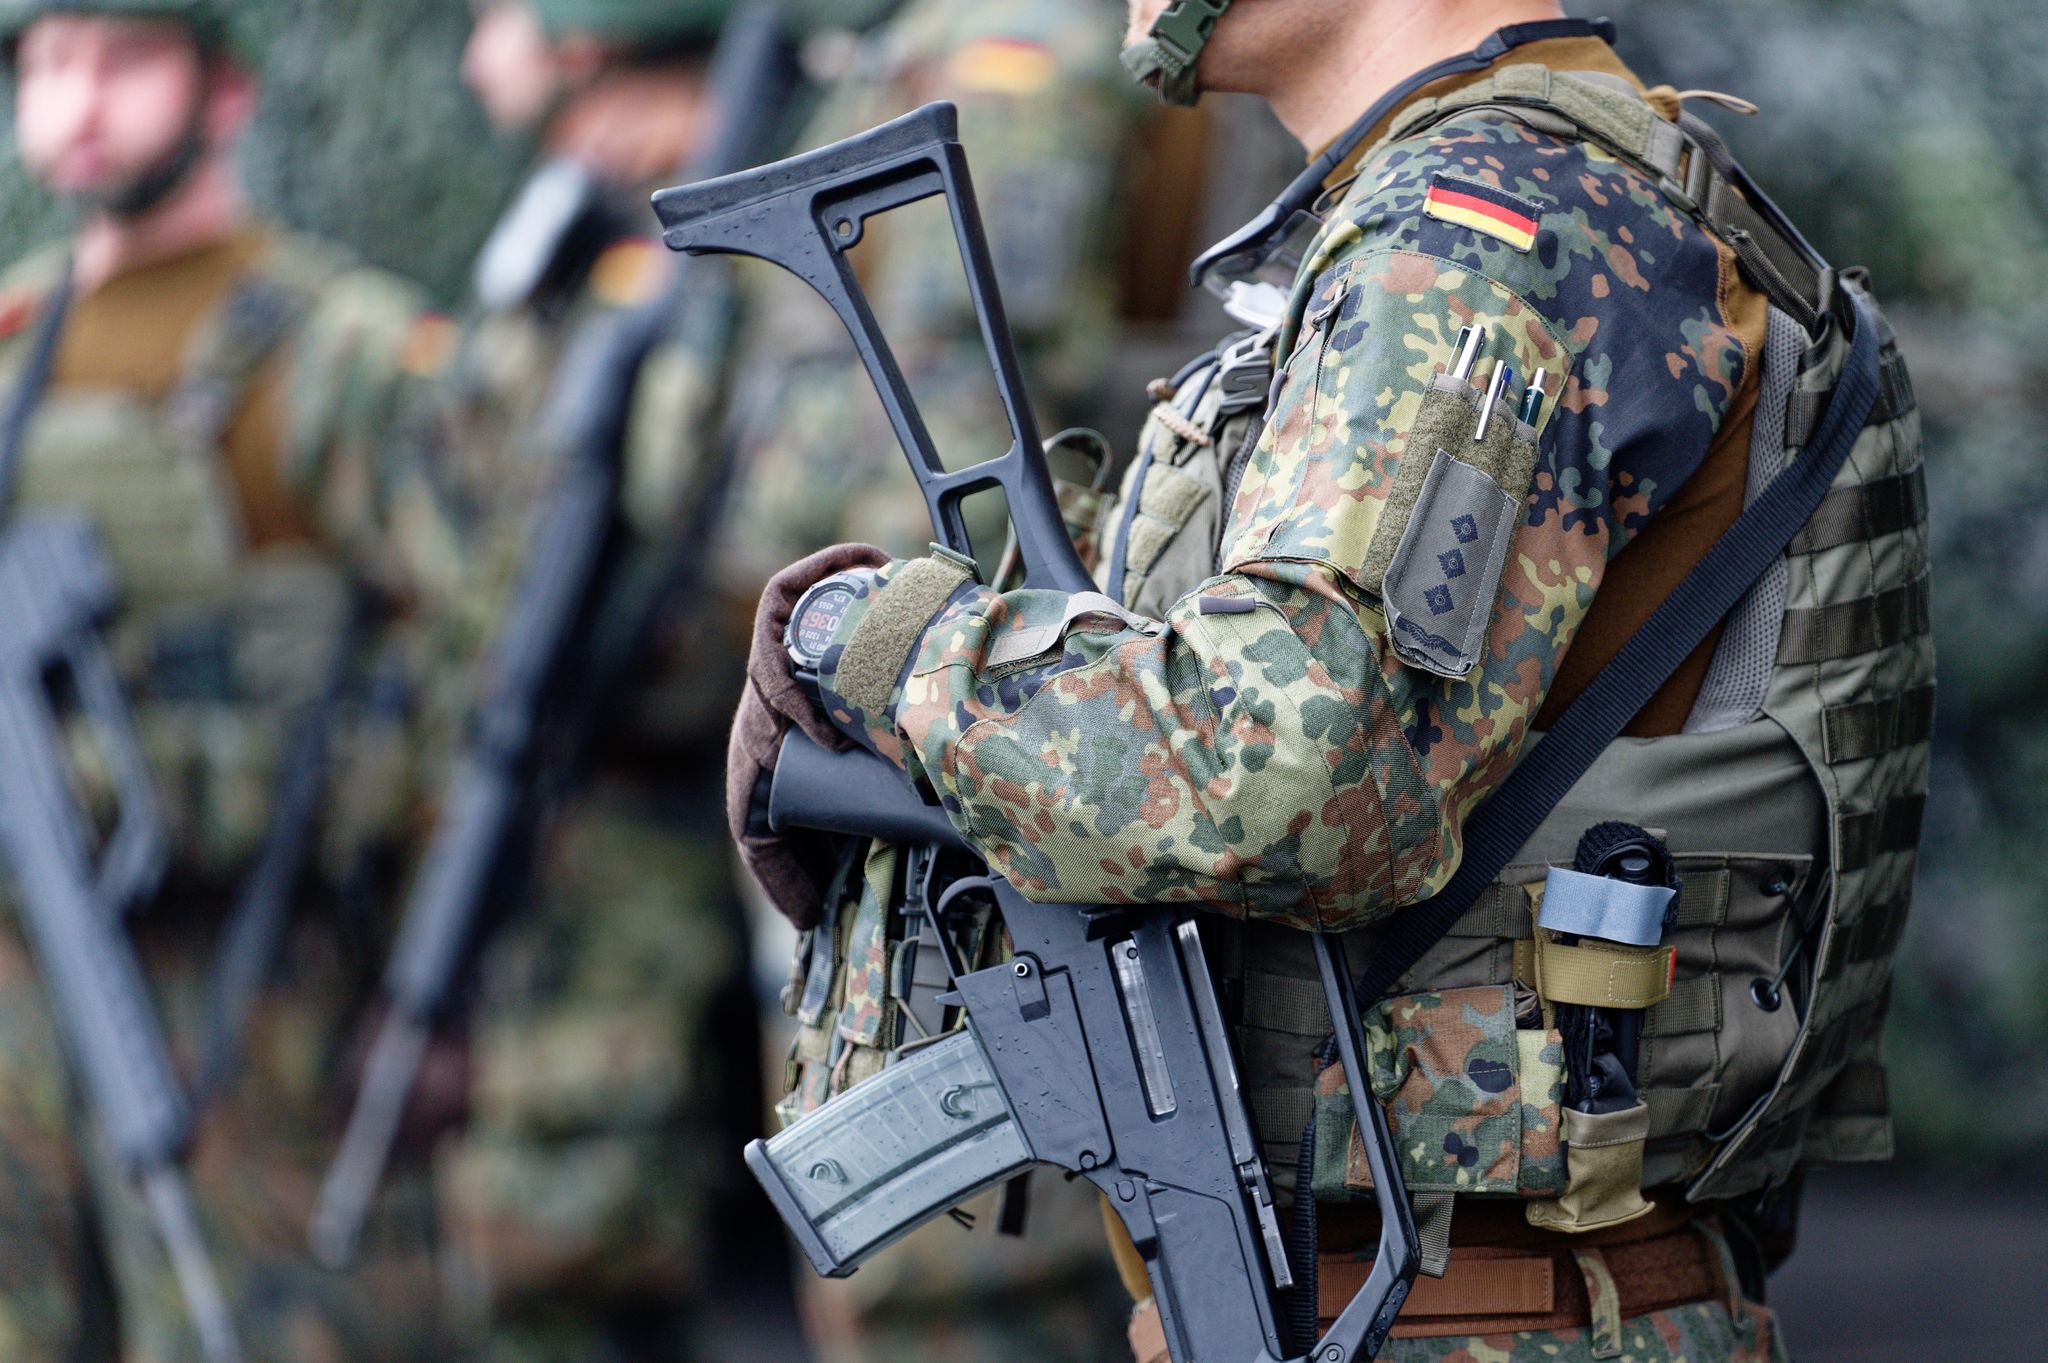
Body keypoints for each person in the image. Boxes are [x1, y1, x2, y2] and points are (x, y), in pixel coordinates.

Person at [732, 2, 1929, 1362]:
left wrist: (874, 651)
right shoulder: (1533, 192)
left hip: (1461, 1312)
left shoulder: (1483, 230)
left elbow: (1293, 766)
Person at [0, 0, 464, 1359]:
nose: (78, 99)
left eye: (125, 58)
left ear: (227, 92)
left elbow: (476, 661)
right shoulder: (13, 338)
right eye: (48, 62)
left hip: (260, 980)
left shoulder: (344, 345)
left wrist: (439, 990)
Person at [713, 2, 1170, 1361]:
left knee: (965, 1258)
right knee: (870, 1189)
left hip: (970, 699)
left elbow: (1034, 363)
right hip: (848, 699)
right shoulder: (857, 64)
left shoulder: (1036, 63)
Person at [413, 3, 766, 1359]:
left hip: (660, 806)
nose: (474, 54)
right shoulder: (583, 235)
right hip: (552, 787)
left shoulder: (706, 234)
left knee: (591, 1223)